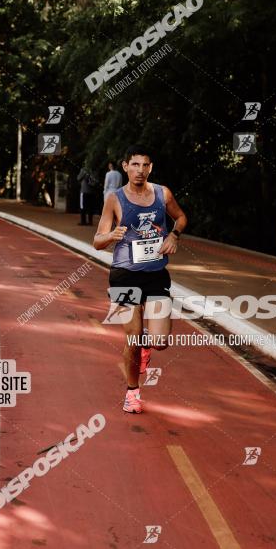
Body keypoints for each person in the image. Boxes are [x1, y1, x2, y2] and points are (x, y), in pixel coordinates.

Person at [93, 146, 187, 414]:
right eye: (135, 165)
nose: (140, 170)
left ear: (150, 168)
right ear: (125, 167)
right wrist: (111, 236)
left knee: (160, 341)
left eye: (145, 165)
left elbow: (180, 217)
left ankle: (148, 340)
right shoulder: (115, 198)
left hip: (156, 275)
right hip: (124, 275)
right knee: (132, 338)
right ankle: (132, 392)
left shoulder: (162, 193)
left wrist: (173, 235)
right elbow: (97, 240)